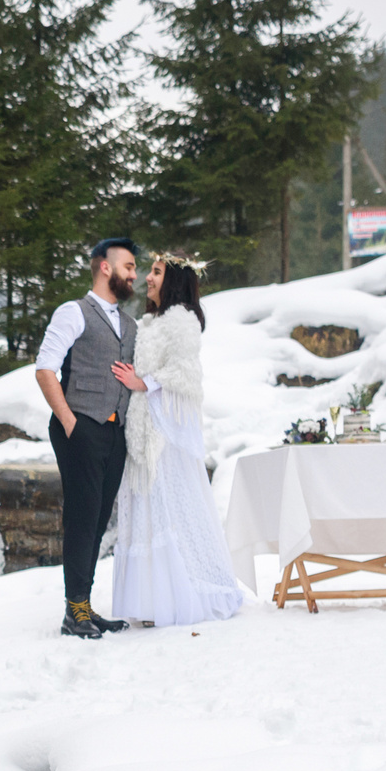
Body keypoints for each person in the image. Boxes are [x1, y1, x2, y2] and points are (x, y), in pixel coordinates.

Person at [107, 257, 246, 626]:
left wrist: (144, 383)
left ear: (173, 282)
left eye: (155, 273)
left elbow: (186, 374)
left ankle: (182, 593)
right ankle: (153, 600)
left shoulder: (182, 319)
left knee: (168, 508)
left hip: (163, 433)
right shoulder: (150, 322)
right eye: (149, 272)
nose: (147, 280)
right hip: (141, 426)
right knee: (148, 511)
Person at [32, 238, 141, 638]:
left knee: (96, 520)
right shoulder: (73, 312)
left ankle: (85, 607)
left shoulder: (129, 324)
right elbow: (45, 368)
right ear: (104, 267)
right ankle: (73, 611)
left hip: (115, 432)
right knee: (81, 516)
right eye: (128, 266)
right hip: (80, 426)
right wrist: (70, 422)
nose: (135, 274)